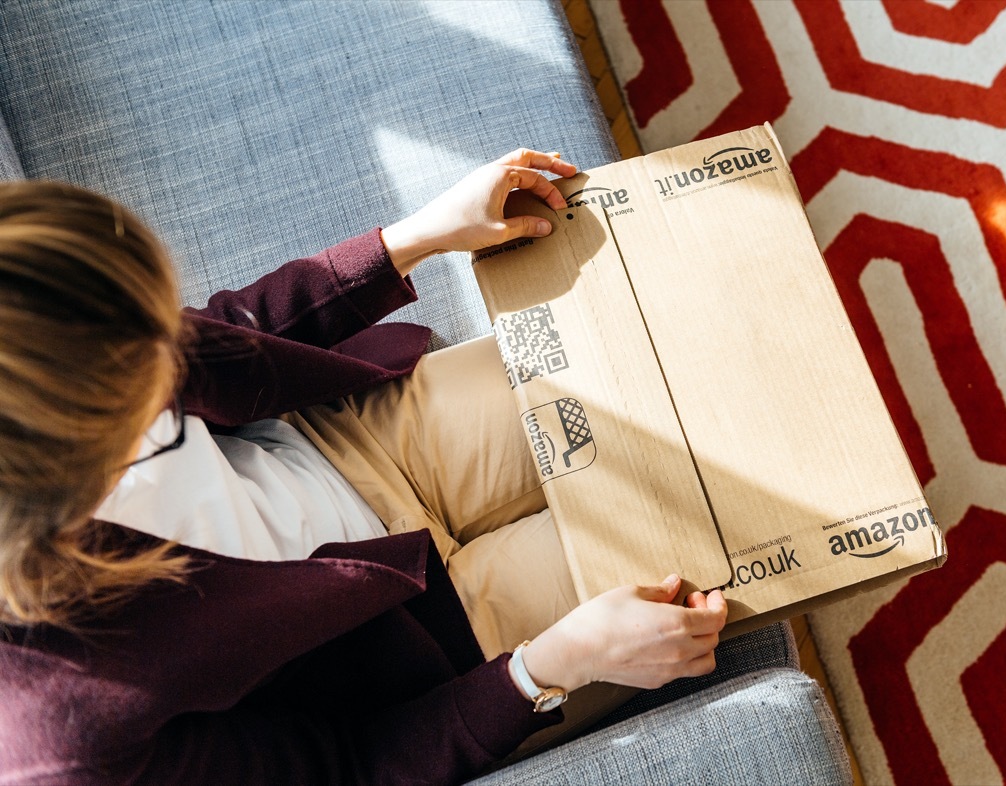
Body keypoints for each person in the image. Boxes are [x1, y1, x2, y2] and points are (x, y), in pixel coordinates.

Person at [0, 149, 727, 784]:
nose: (172, 359)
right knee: (725, 515)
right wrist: (550, 668)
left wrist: (413, 238)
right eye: (144, 398)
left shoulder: (38, 336)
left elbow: (221, 336)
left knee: (657, 350)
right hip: (432, 647)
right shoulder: (63, 741)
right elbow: (347, 767)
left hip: (348, 436)